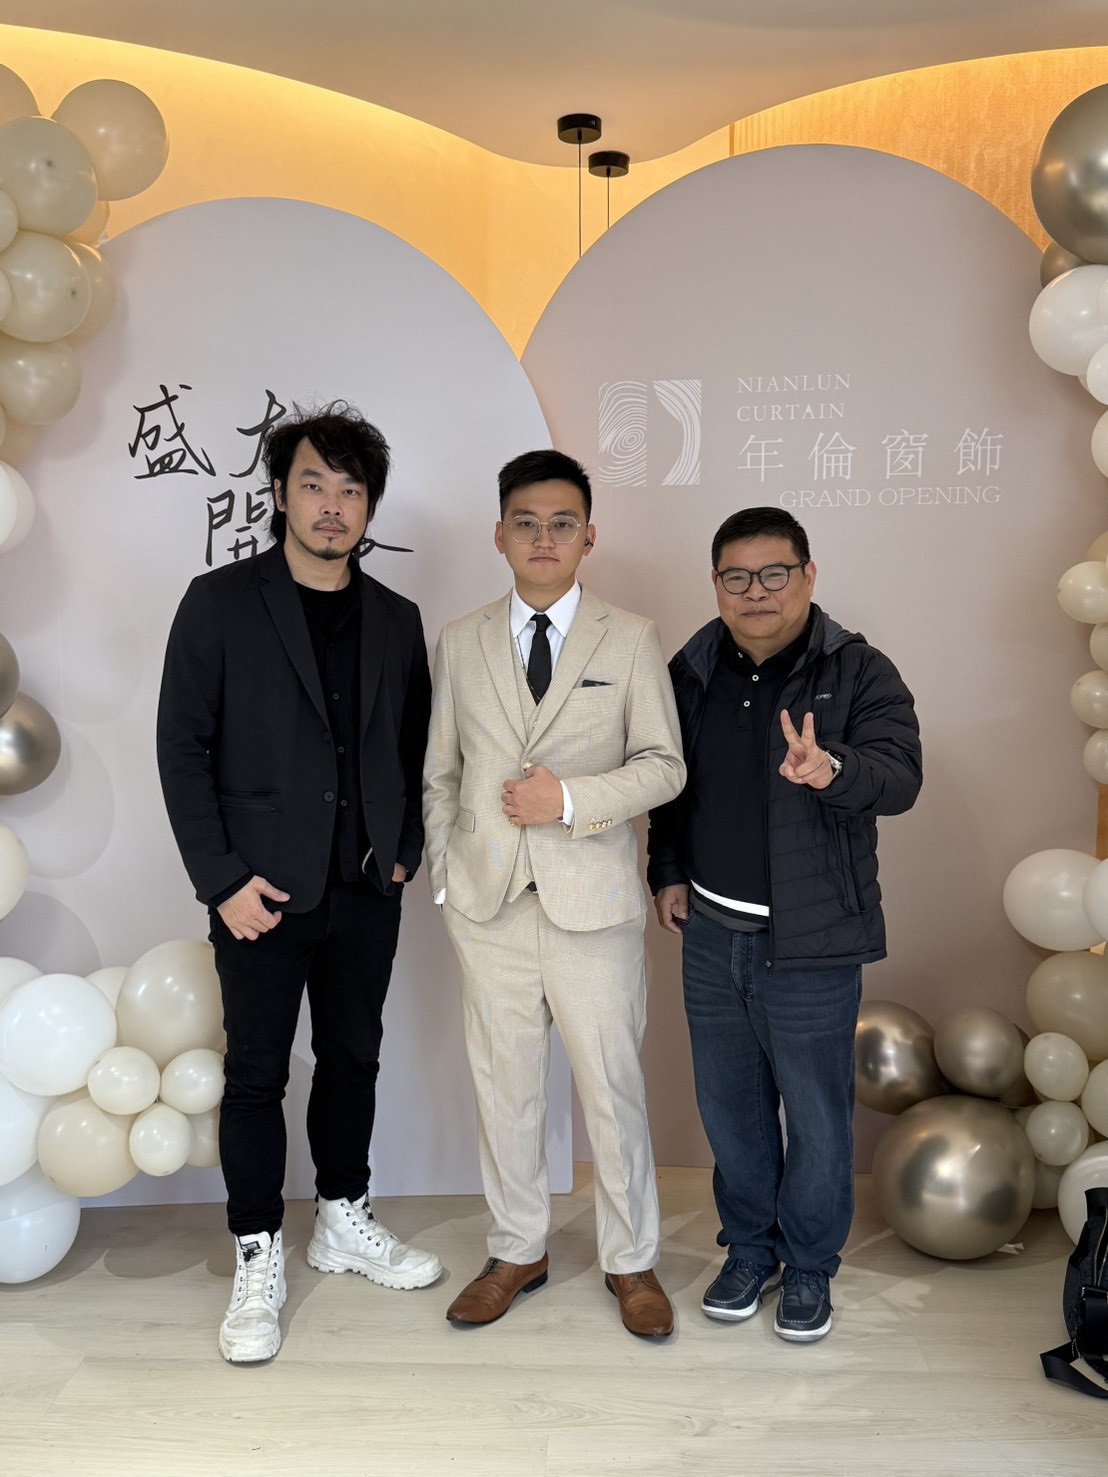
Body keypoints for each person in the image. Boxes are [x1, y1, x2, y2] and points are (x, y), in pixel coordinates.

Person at [157, 401, 441, 1365]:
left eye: (350, 490)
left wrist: (404, 850)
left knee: (354, 1059)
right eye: (313, 484)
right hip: (259, 893)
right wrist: (221, 881)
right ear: (279, 493)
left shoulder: (397, 619)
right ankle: (256, 1250)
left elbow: (415, 746)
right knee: (255, 1074)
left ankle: (342, 1215)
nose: (331, 505)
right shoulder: (219, 602)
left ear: (370, 508)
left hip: (365, 887)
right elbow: (181, 748)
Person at [423, 449, 686, 1338]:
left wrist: (567, 799)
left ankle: (631, 1260)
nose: (544, 538)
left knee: (611, 1089)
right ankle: (516, 1248)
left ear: (588, 537)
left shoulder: (631, 636)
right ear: (499, 535)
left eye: (561, 523)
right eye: (526, 523)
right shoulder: (460, 639)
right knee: (505, 1089)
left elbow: (665, 765)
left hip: (593, 905)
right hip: (488, 906)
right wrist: (449, 878)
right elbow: (441, 773)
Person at [648, 506, 921, 1343]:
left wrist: (830, 767)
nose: (756, 591)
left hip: (813, 941)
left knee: (817, 1119)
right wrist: (666, 871)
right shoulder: (690, 670)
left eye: (774, 573)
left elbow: (901, 775)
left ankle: (808, 1264)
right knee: (730, 1112)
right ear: (717, 584)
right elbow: (669, 788)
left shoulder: (858, 667)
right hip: (711, 936)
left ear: (807, 576)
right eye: (737, 576)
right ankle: (749, 1248)